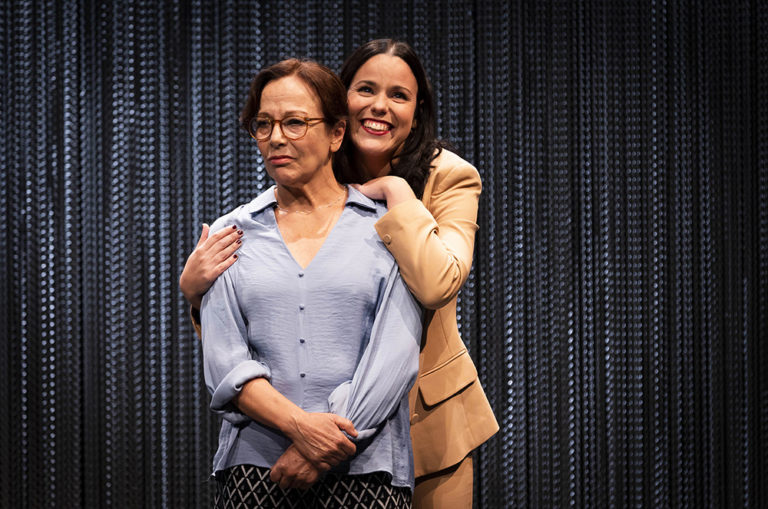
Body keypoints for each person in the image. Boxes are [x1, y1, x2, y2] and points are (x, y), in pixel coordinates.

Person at [181, 39, 499, 508]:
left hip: (421, 418)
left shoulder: (444, 178)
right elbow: (236, 339)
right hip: (275, 444)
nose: (379, 106)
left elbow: (434, 287)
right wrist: (195, 293)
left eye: (399, 95)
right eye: (365, 89)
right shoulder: (275, 196)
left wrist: (397, 193)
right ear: (340, 105)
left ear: (418, 111)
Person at [200, 58, 422, 508]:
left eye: (295, 122)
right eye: (263, 124)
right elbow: (225, 362)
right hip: (256, 470)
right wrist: (300, 428)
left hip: (365, 468)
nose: (276, 138)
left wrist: (321, 446)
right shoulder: (230, 233)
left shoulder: (386, 226)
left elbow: (394, 356)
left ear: (337, 133)